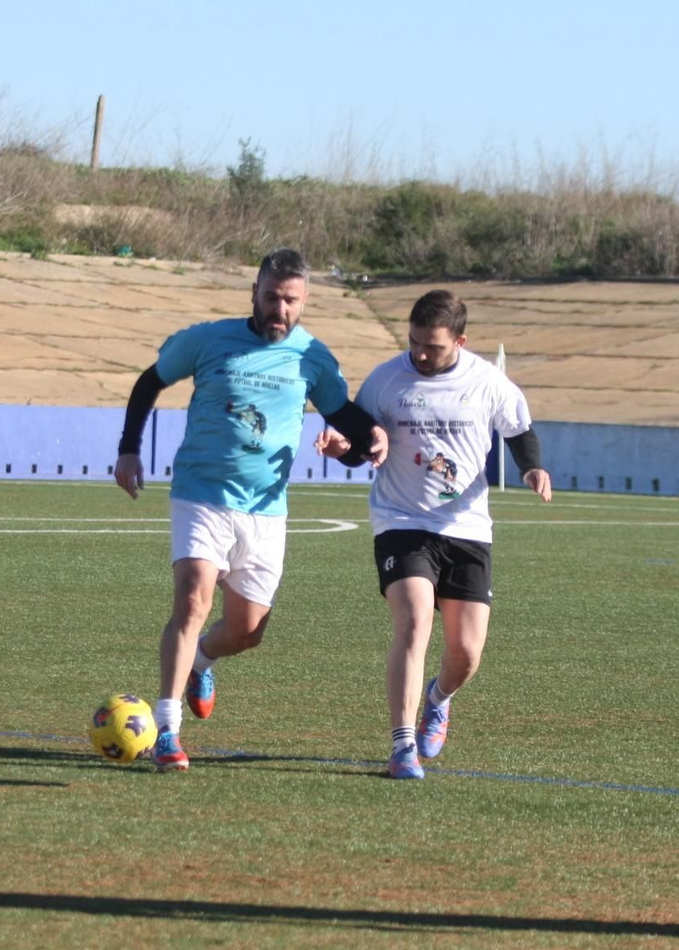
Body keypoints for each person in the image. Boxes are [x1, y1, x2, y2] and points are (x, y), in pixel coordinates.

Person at [115, 249, 388, 771]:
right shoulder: (208, 340)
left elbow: (345, 420)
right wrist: (129, 446)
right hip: (202, 494)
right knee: (192, 604)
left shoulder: (313, 358)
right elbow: (150, 381)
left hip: (266, 510)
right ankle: (167, 730)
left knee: (247, 630)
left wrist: (367, 441)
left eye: (290, 300)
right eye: (270, 297)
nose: (278, 309)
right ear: (254, 294)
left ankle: (202, 661)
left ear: (304, 302)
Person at [317, 290, 553, 780]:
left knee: (466, 654)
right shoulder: (386, 379)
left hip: (467, 529)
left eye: (434, 347)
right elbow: (364, 444)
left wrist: (532, 469)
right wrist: (345, 450)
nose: (421, 354)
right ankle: (402, 746)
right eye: (415, 342)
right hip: (401, 521)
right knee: (414, 620)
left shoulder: (488, 382)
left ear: (460, 341)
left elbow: (518, 430)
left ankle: (438, 698)